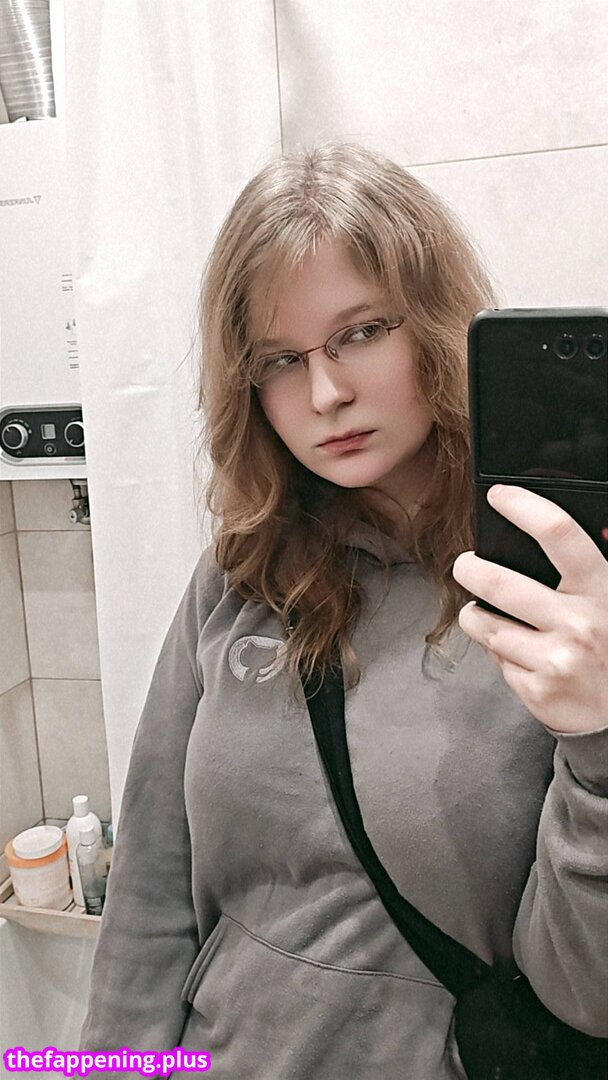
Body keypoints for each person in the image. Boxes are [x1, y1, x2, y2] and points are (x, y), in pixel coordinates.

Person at [80, 143, 608, 1078]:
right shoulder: (239, 575)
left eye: (361, 333)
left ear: (433, 323)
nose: (327, 394)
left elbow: (586, 993)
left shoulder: (558, 599)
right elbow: (150, 898)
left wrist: (601, 741)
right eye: (282, 359)